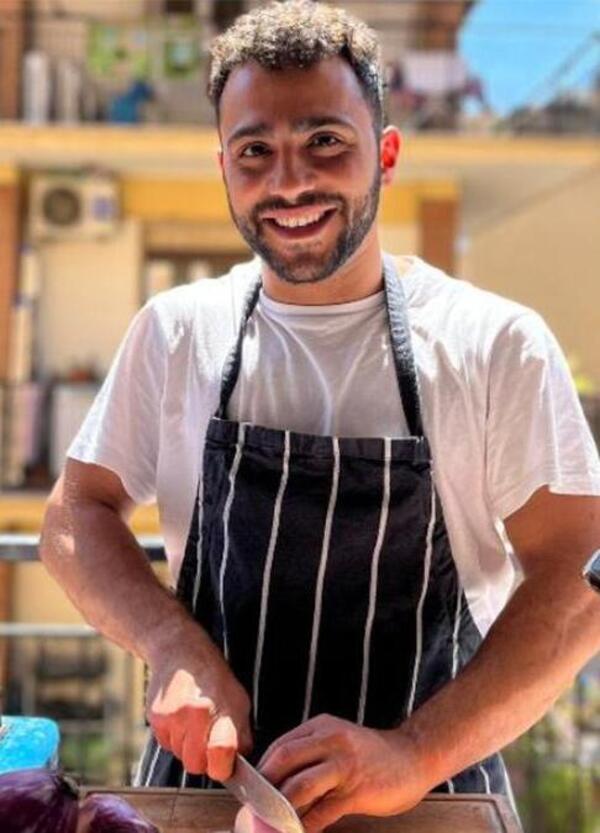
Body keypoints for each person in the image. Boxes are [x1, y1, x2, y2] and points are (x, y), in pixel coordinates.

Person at [40, 2, 600, 830]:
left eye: (325, 142)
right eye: (255, 152)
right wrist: (170, 645)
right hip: (210, 803)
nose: (289, 181)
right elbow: (73, 516)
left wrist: (411, 752)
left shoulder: (492, 343)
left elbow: (578, 577)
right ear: (223, 166)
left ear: (387, 154)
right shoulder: (176, 331)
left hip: (432, 802)